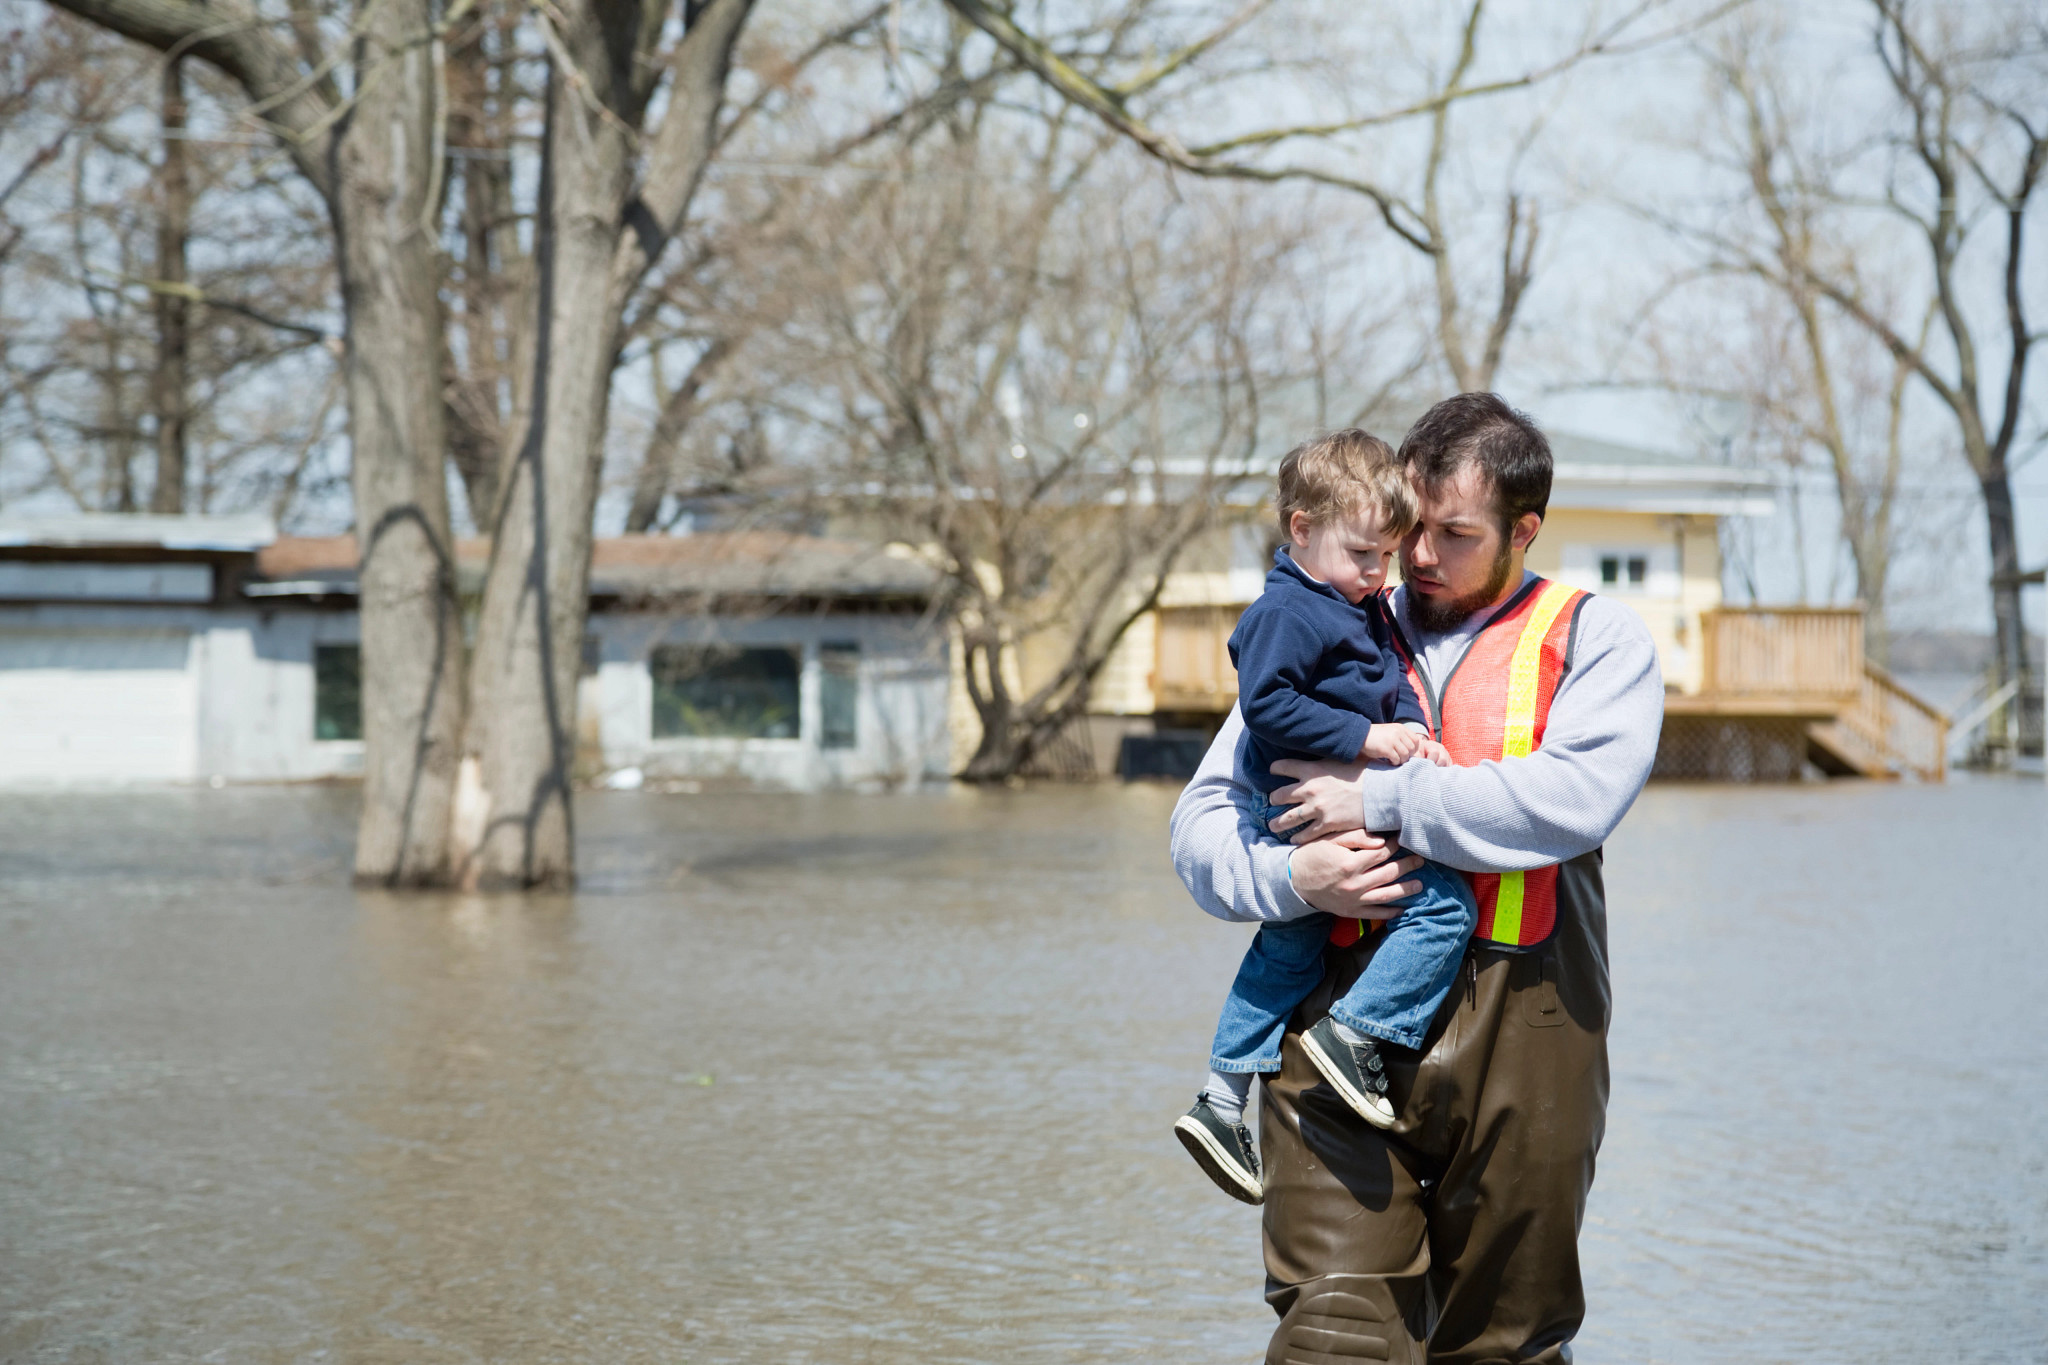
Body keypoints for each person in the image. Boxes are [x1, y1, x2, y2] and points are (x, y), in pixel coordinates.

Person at [1169, 392, 1664, 1364]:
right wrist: (1292, 878)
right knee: (1334, 1336)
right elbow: (1196, 831)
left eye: (1454, 534)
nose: (1417, 559)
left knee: (1502, 1343)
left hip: (1528, 1027)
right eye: (1408, 529)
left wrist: (1381, 802)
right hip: (1330, 1027)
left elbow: (1570, 799)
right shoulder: (1322, 619)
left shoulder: (1596, 640)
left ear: (1524, 530)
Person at [1173, 429, 1479, 1207]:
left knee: (1290, 944)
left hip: (1322, 798)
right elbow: (1267, 704)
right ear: (1300, 529)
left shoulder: (1353, 603)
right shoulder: (1288, 610)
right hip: (1297, 801)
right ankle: (1359, 1032)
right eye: (1363, 554)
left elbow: (1388, 683)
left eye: (1386, 556)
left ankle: (1220, 1097)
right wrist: (1368, 740)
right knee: (1445, 906)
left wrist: (1416, 739)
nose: (1381, 574)